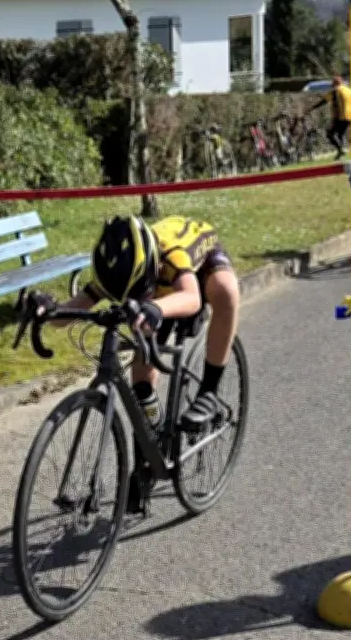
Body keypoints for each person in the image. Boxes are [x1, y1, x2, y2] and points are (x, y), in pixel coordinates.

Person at [36, 214, 240, 513]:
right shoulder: (116, 269)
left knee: (226, 290)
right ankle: (148, 452)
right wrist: (47, 311)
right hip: (153, 284)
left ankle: (208, 391)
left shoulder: (170, 253)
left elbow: (191, 298)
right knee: (142, 370)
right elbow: (72, 313)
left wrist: (156, 308)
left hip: (197, 266)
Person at [306, 75, 351, 160]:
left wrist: (311, 108)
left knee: (330, 133)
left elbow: (324, 101)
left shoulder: (335, 91)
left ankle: (341, 150)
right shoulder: (349, 90)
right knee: (340, 134)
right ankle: (340, 153)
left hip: (342, 116)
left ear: (334, 84)